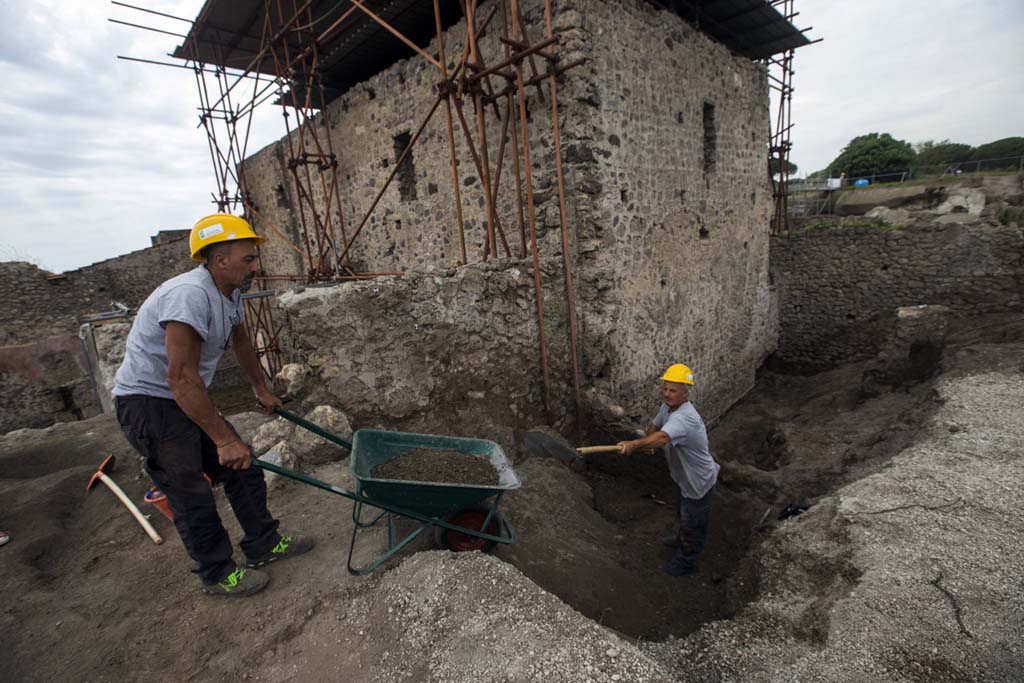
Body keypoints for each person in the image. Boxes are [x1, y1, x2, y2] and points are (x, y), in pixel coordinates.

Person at [113, 213, 313, 597]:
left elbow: (241, 341)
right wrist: (223, 439)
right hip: (149, 403)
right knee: (190, 489)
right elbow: (180, 377)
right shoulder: (189, 296)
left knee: (244, 468)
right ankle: (217, 573)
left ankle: (263, 544)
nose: (255, 266)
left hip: (184, 396)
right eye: (247, 258)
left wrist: (260, 387)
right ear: (220, 260)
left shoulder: (230, 293)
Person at [616, 363, 719, 576]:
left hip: (698, 481)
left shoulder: (685, 417)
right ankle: (681, 538)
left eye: (673, 390)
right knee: (682, 512)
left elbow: (662, 437)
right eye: (665, 389)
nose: (667, 394)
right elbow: (655, 428)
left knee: (693, 524)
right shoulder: (667, 408)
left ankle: (686, 563)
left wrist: (633, 445)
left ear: (685, 393)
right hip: (684, 478)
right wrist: (645, 443)